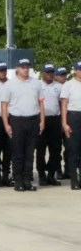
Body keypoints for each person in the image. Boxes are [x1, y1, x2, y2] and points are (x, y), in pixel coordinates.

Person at [2, 59, 45, 192]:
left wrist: (42, 121)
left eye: (27, 67)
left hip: (33, 120)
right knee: (18, 152)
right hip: (17, 120)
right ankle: (18, 180)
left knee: (30, 153)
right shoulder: (10, 84)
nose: (25, 69)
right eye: (22, 67)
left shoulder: (36, 83)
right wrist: (6, 124)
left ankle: (27, 180)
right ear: (17, 68)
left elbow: (41, 103)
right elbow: (4, 106)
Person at [37, 62, 64, 185]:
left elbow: (62, 104)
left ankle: (51, 175)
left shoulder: (59, 86)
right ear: (43, 73)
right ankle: (42, 176)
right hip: (40, 120)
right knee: (41, 150)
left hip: (55, 120)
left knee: (55, 150)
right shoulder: (37, 85)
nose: (50, 74)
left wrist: (63, 121)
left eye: (52, 72)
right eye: (47, 72)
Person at [61, 61, 81, 190]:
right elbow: (64, 104)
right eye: (80, 69)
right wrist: (64, 123)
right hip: (74, 116)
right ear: (75, 70)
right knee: (73, 149)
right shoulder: (68, 85)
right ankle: (74, 179)